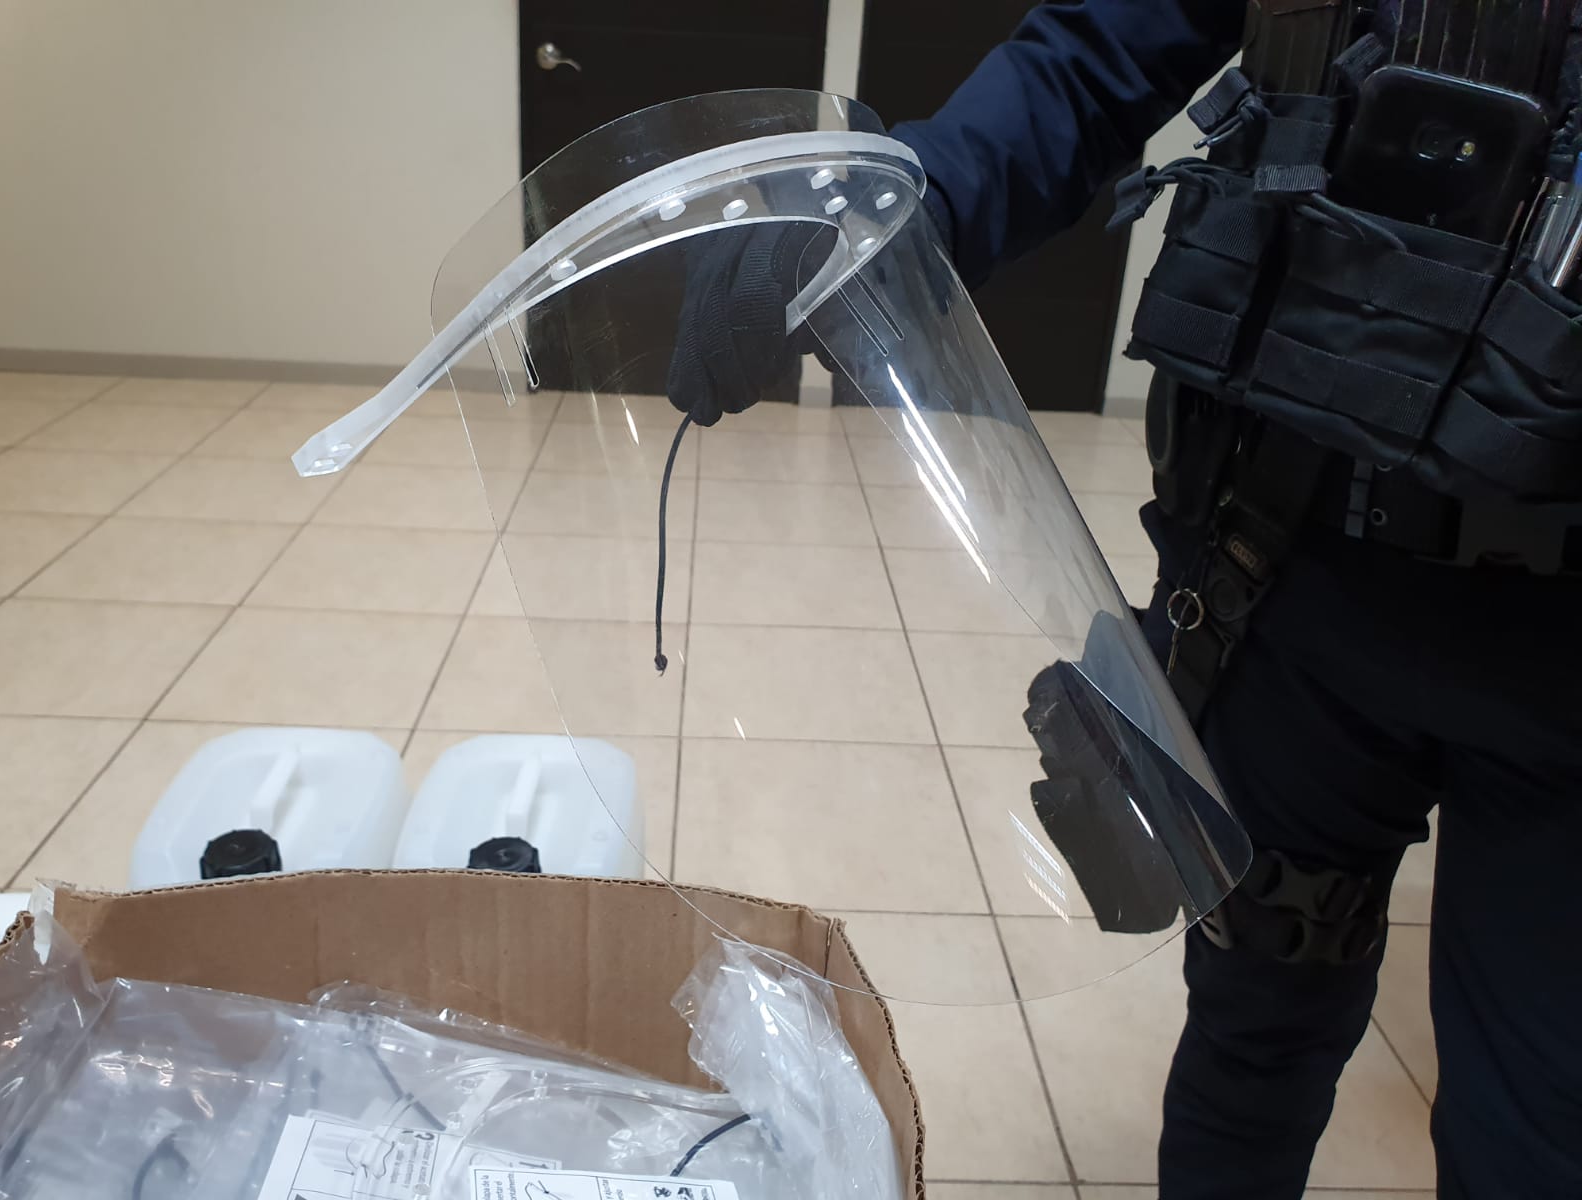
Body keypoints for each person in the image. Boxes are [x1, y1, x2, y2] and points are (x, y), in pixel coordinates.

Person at [666, 3, 1582, 1197]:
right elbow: (1097, 55)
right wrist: (889, 210)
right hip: (1282, 566)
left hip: (1558, 659)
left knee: (1538, 1128)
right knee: (1251, 1032)